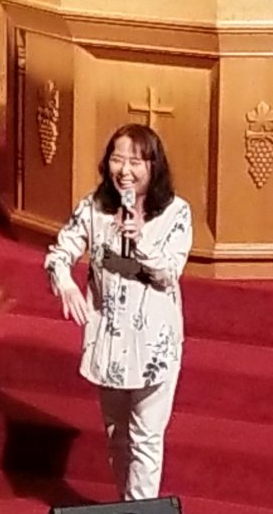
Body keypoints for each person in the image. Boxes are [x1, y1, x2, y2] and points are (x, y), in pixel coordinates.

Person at [44, 123, 193, 501]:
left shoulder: (176, 213)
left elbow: (169, 272)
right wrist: (65, 283)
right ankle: (128, 505)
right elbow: (58, 254)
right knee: (117, 435)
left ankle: (137, 511)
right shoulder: (93, 208)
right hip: (108, 341)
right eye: (117, 159)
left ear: (154, 166)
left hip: (153, 346)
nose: (124, 170)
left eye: (135, 162)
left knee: (146, 439)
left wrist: (139, 239)